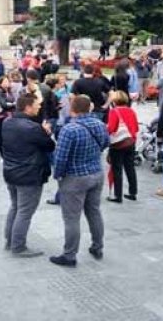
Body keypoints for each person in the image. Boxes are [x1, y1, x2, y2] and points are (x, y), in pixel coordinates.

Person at [50, 95, 109, 267]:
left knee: (72, 218)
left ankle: (69, 255)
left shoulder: (69, 129)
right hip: (96, 173)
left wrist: (58, 175)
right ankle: (97, 246)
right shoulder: (99, 124)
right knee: (94, 212)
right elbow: (105, 143)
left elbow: (60, 158)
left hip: (75, 177)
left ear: (72, 109)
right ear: (89, 108)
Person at [2, 93, 56, 257]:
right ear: (27, 107)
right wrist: (46, 132)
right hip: (29, 174)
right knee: (25, 211)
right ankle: (18, 246)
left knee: (15, 207)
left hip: (11, 171)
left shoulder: (7, 122)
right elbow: (50, 146)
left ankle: (10, 241)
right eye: (37, 105)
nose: (39, 107)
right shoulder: (32, 128)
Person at [105, 90, 139, 202]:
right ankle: (133, 192)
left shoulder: (114, 112)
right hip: (131, 141)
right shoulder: (131, 111)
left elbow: (111, 129)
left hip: (118, 143)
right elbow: (136, 128)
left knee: (117, 169)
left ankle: (117, 195)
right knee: (130, 168)